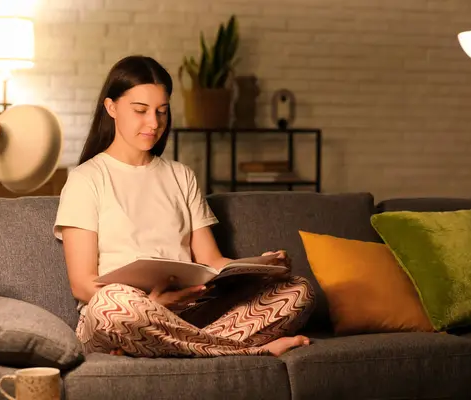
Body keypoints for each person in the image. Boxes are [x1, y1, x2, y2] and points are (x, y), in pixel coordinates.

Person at [53, 55, 315, 358]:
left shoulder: (181, 175)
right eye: (140, 111)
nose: (154, 123)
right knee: (111, 302)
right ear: (111, 108)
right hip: (122, 315)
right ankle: (252, 353)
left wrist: (260, 267)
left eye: (161, 112)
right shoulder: (86, 179)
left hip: (188, 316)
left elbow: (211, 261)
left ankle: (164, 349)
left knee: (298, 290)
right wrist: (154, 305)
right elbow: (83, 285)